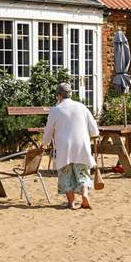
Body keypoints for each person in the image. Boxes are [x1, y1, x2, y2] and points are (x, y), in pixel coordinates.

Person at [40, 82, 100, 210]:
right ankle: (84, 195)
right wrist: (92, 135)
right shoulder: (82, 107)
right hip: (82, 146)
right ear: (71, 94)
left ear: (58, 95)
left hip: (64, 148)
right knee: (83, 173)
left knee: (65, 176)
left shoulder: (56, 110)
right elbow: (94, 129)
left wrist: (44, 143)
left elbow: (48, 130)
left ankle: (71, 202)